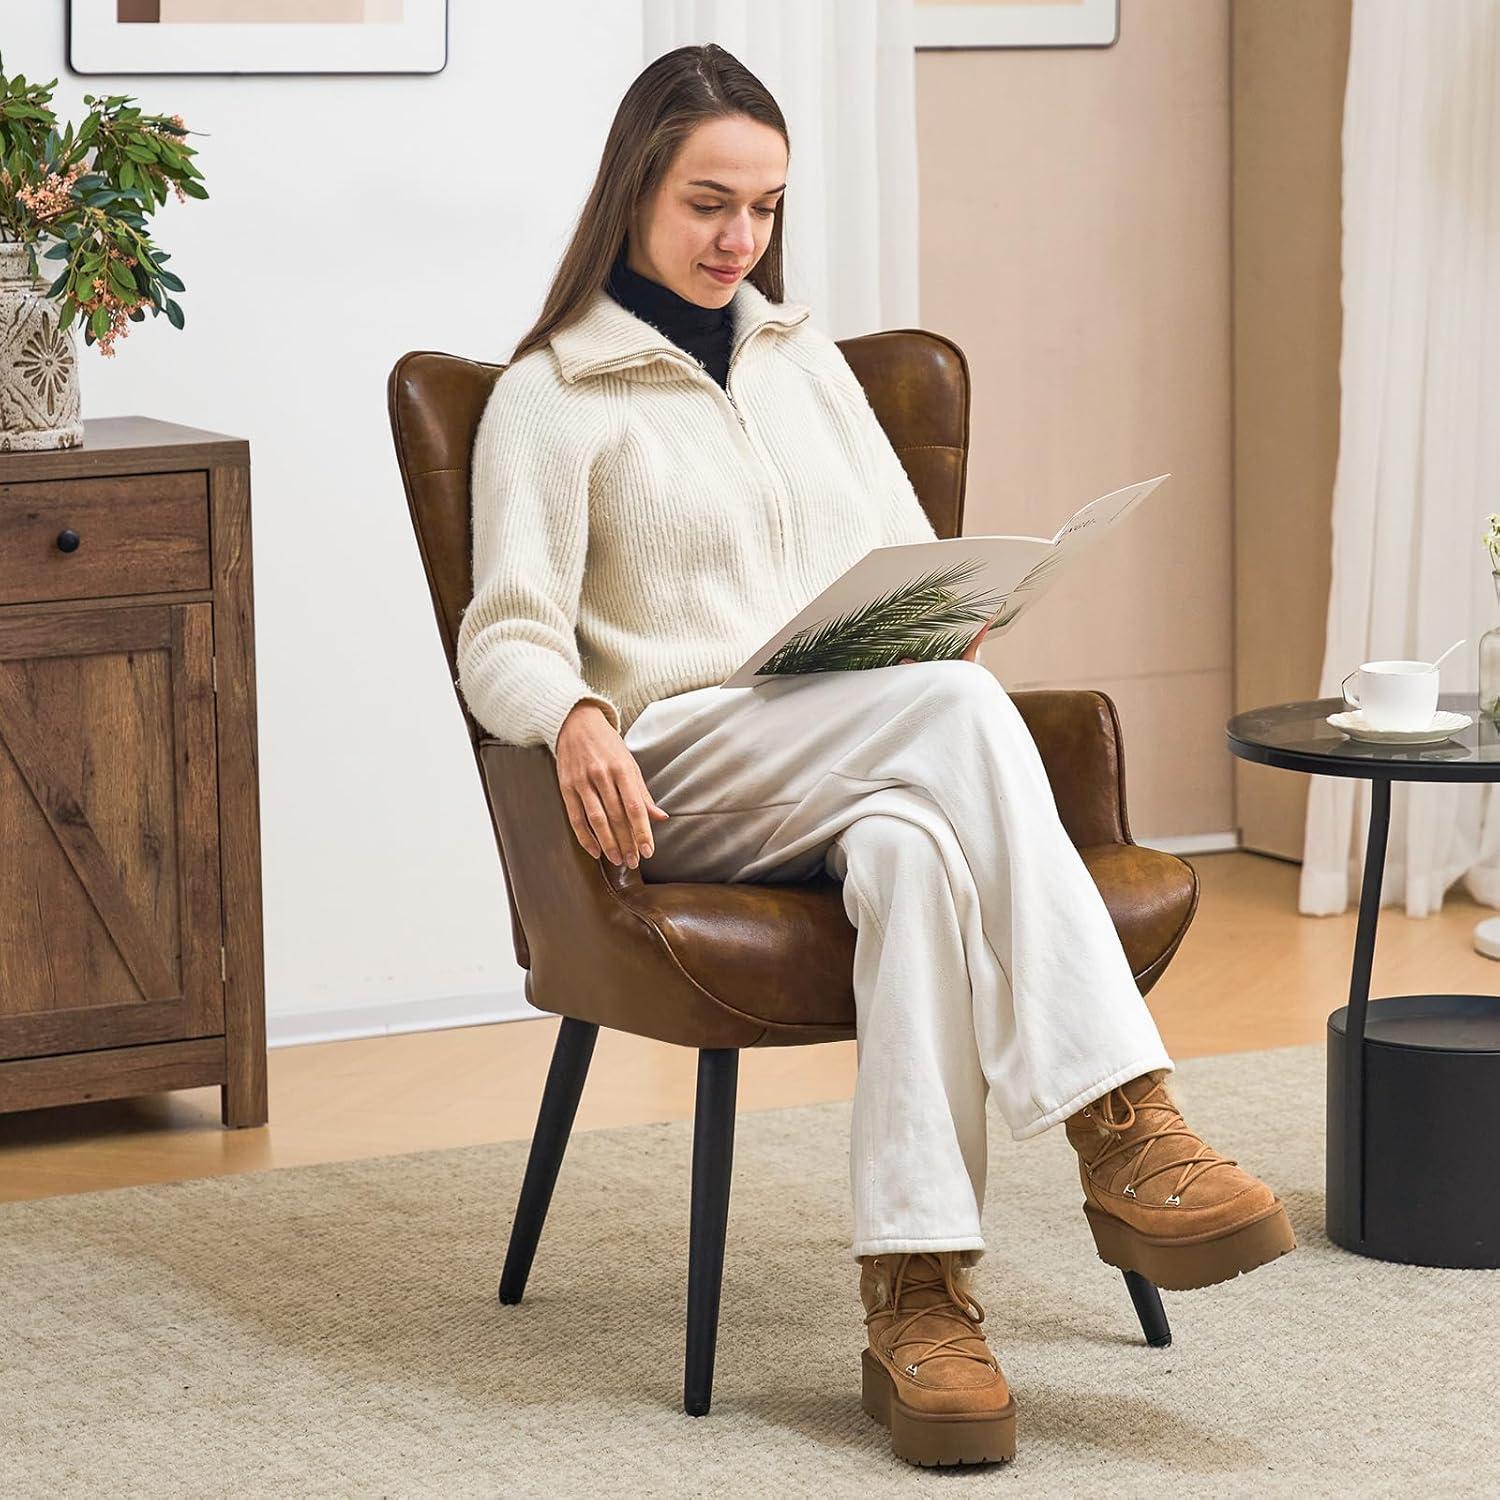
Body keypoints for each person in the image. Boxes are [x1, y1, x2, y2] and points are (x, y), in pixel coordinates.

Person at [456, 42, 1296, 1470]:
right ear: (632, 197)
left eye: (766, 208)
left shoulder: (809, 371)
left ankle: (918, 1300)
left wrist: (946, 622)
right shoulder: (550, 394)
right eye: (708, 205)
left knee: (915, 846)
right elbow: (502, 636)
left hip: (853, 748)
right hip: (684, 772)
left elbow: (894, 562)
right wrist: (575, 716)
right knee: (957, 725)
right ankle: (1123, 1119)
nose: (740, 240)